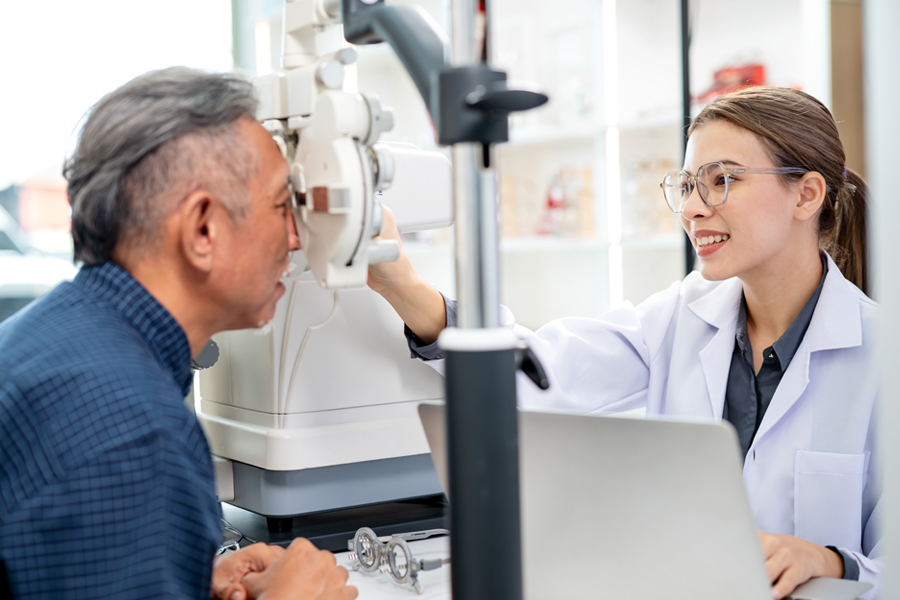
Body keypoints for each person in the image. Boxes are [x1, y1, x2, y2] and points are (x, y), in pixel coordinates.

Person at [367, 86, 880, 599]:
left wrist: (833, 562)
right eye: (686, 185)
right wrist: (401, 283)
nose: (693, 209)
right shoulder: (681, 317)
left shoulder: (882, 357)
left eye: (722, 180)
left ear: (807, 194)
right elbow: (542, 370)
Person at [0, 67, 357, 600]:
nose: (296, 237)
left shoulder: (50, 336)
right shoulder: (133, 432)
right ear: (203, 229)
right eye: (283, 205)